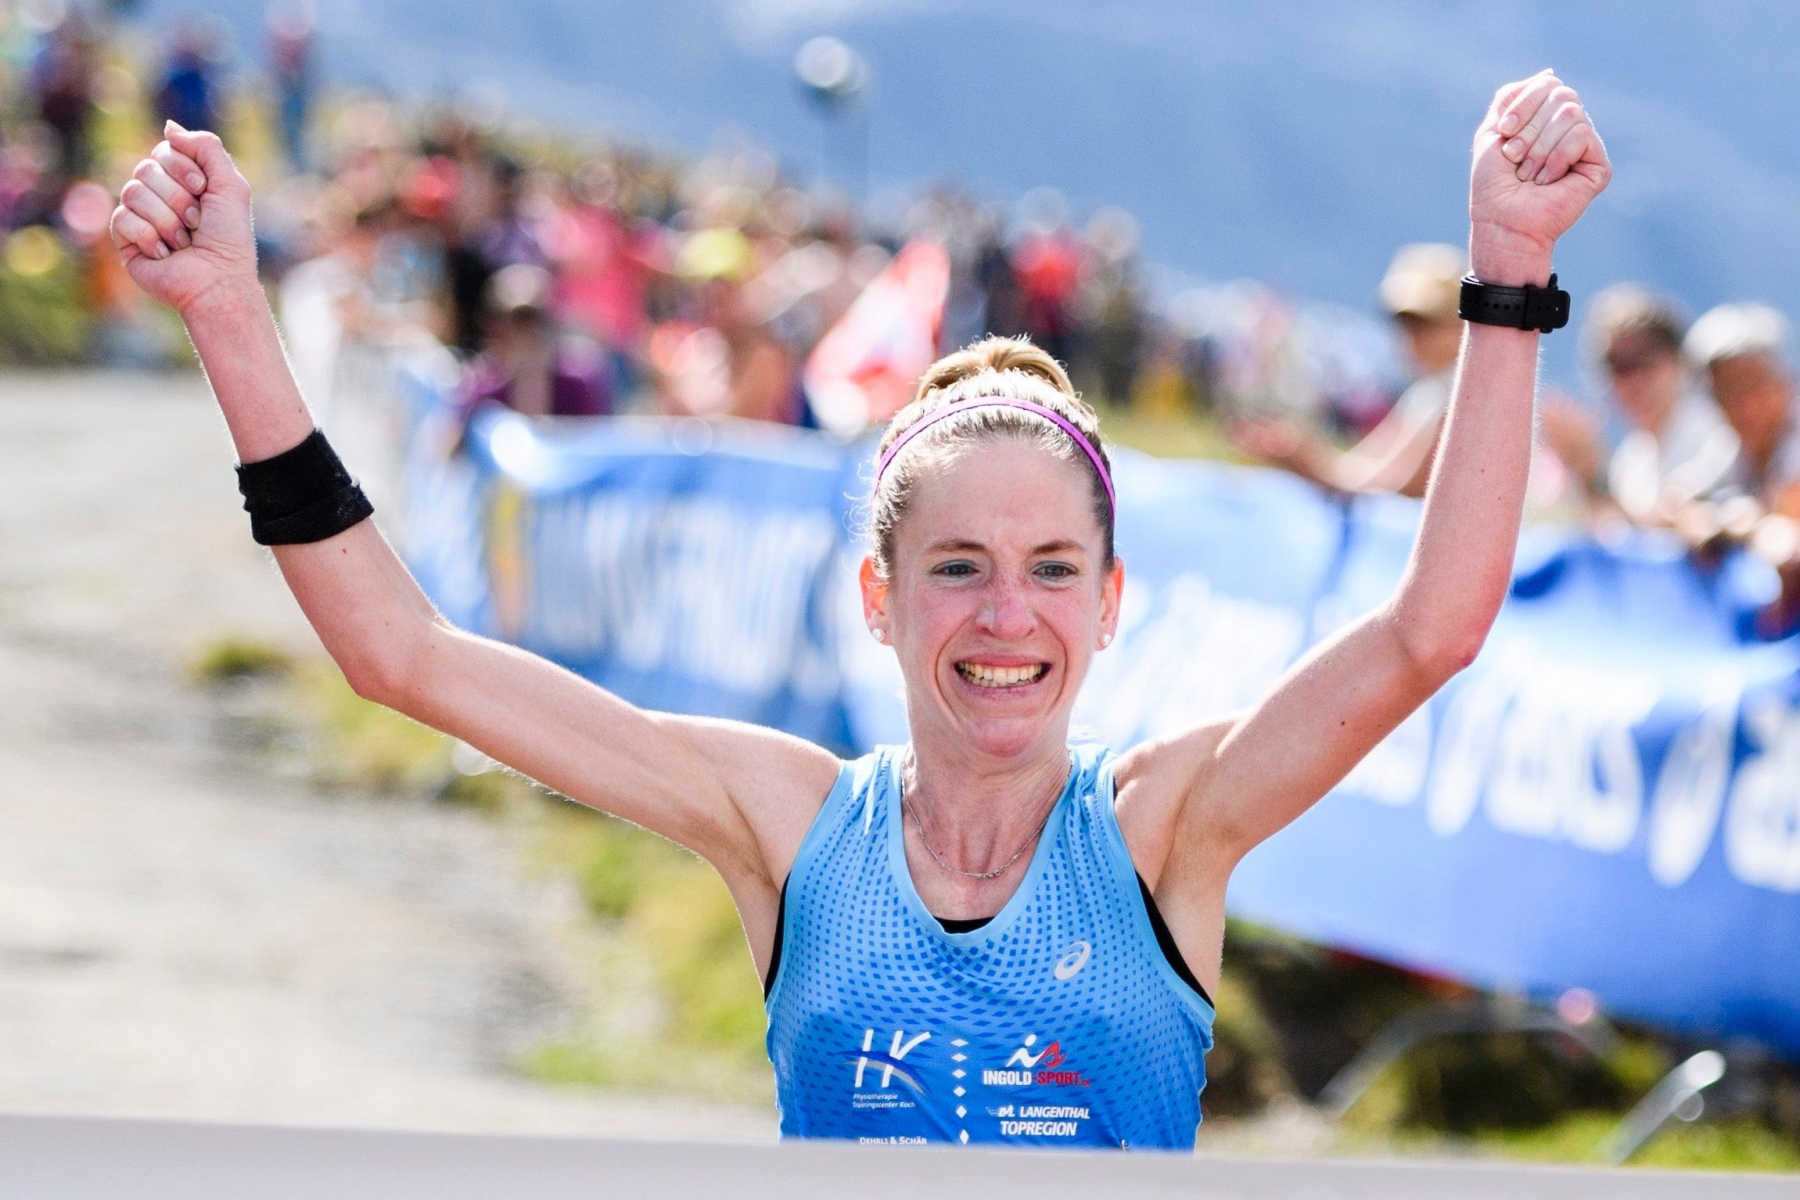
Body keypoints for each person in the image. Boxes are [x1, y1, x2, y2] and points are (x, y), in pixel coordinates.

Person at [111, 73, 1609, 1150]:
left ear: (1112, 605)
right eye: (957, 567)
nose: (1005, 614)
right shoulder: (784, 822)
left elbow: (1435, 627)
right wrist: (235, 321)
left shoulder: (1167, 827)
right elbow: (402, 654)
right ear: (881, 603)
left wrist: (1510, 278)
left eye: (1052, 569)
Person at [1231, 242, 1466, 498]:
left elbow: (1398, 488)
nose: (1411, 338)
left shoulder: (1459, 395)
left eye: (1426, 324)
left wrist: (1304, 459)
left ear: (1462, 323)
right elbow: (1363, 468)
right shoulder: (1428, 392)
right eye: (1404, 324)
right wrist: (1299, 453)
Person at [1544, 285, 1740, 524]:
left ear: (1679, 361)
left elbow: (1674, 526)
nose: (1633, 380)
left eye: (1644, 360)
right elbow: (1611, 540)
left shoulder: (1718, 434)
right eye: (1618, 366)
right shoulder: (1633, 457)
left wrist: (1593, 471)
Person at [1684, 303, 1800, 518]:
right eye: (1727, 390)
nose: (1745, 403)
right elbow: (1681, 498)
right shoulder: (1727, 445)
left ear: (1785, 381)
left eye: (1753, 383)